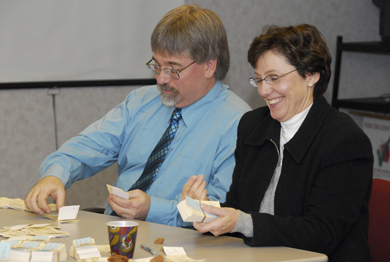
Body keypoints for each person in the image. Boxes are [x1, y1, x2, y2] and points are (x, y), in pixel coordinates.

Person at [24, 4, 251, 227]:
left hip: (182, 246)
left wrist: (152, 209)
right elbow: (88, 146)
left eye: (173, 69)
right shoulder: (142, 101)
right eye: (156, 65)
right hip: (116, 231)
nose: (161, 79)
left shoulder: (239, 123)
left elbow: (219, 212)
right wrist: (54, 175)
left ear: (209, 66)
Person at [182, 24, 373, 261]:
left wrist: (241, 221)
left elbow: (322, 233)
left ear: (311, 75)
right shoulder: (253, 125)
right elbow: (237, 207)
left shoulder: (345, 141)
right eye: (259, 79)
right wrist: (200, 210)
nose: (264, 90)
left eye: (273, 78)